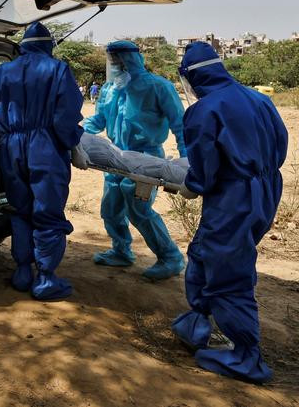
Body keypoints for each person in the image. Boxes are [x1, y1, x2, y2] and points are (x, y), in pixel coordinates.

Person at [171, 42, 287, 384]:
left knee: (227, 268)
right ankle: (197, 323)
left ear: (192, 78)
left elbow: (204, 169)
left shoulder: (204, 110)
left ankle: (247, 356)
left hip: (232, 197)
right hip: (265, 189)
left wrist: (191, 183)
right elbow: (280, 144)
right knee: (205, 252)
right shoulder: (258, 99)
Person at [0, 22, 86, 301]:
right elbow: (65, 117)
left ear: (23, 46)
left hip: (10, 147)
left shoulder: (1, 72)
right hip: (46, 147)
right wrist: (73, 143)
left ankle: (21, 272)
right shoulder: (58, 70)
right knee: (48, 210)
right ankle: (45, 278)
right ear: (48, 46)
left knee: (20, 208)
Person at [83, 40, 186, 280]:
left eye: (117, 61)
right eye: (111, 61)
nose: (114, 66)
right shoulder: (110, 89)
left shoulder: (158, 87)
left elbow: (180, 124)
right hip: (115, 158)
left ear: (130, 60)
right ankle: (121, 251)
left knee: (138, 209)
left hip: (146, 158)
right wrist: (73, 133)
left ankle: (170, 257)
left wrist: (186, 159)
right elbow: (98, 120)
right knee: (111, 209)